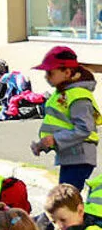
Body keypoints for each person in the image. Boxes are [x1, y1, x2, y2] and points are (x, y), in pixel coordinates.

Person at [31, 46, 100, 189]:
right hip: (71, 155)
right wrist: (44, 145)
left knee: (66, 200)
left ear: (67, 72)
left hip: (80, 156)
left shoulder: (77, 95)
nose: (46, 77)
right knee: (67, 198)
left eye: (50, 73)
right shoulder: (64, 93)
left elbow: (84, 129)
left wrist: (55, 139)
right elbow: (61, 125)